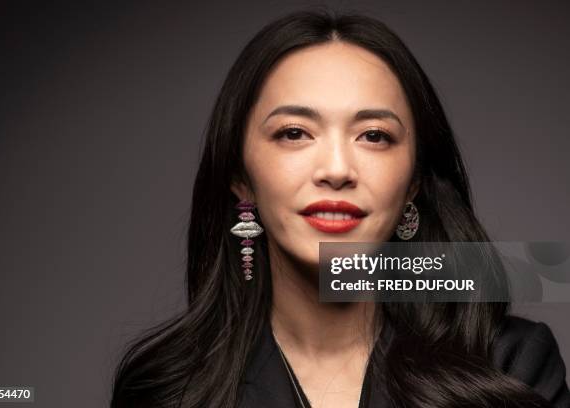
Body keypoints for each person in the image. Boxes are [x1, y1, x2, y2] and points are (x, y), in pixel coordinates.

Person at [110, 8, 570, 408]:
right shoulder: (168, 389)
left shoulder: (510, 364)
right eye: (294, 133)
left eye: (374, 135)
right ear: (240, 178)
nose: (336, 169)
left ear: (412, 183)